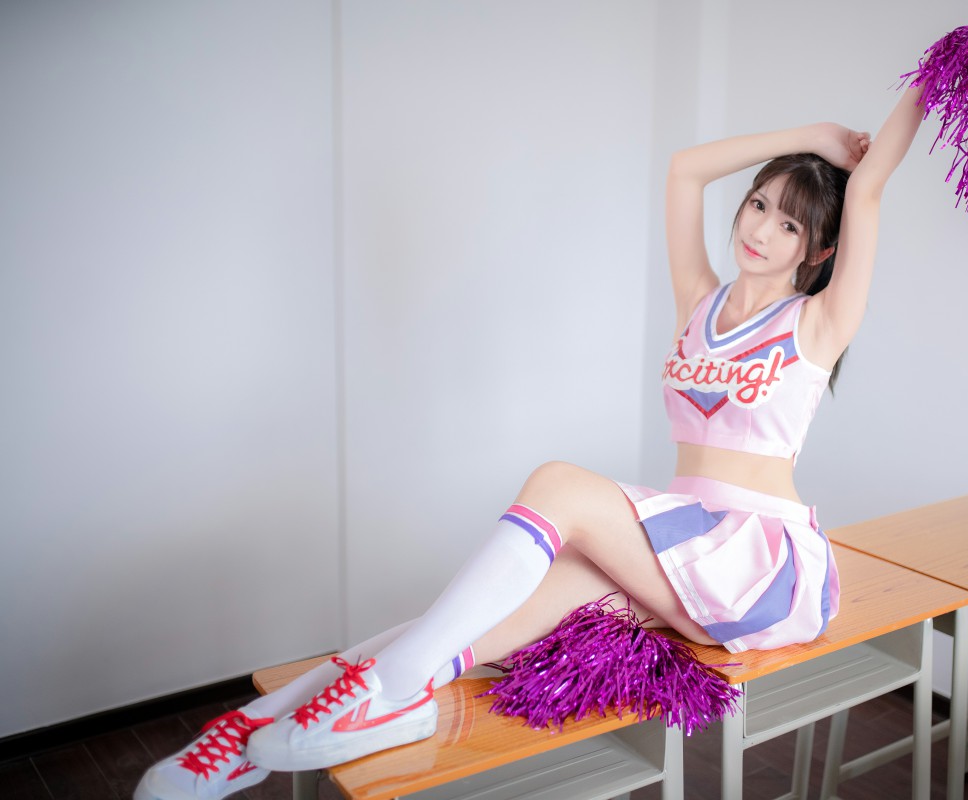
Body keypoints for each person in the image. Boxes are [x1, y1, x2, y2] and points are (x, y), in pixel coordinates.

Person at [134, 83, 927, 800]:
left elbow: (870, 187)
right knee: (483, 622)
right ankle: (248, 734)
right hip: (681, 543)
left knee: (557, 485)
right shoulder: (699, 301)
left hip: (758, 562)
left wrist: (938, 78)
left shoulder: (816, 326)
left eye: (789, 224)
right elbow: (685, 171)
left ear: (818, 251)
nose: (761, 229)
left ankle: (393, 695)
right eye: (758, 205)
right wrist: (811, 135)